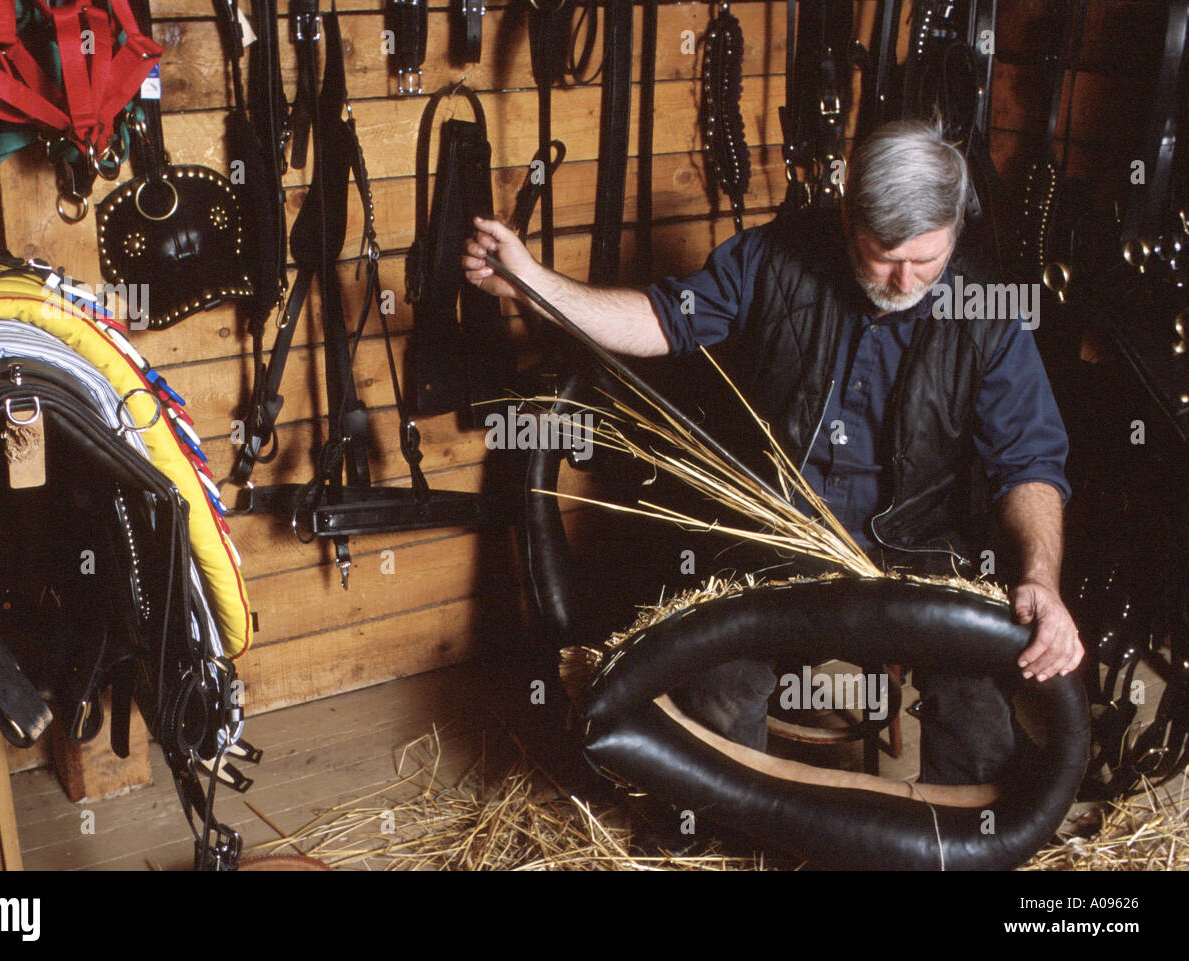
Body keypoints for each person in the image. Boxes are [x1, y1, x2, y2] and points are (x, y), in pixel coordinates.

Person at [461, 119, 1084, 785]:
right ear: (848, 217)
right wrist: (533, 283)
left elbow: (1029, 463)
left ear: (955, 232)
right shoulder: (773, 258)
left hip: (922, 553)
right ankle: (727, 832)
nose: (906, 280)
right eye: (884, 255)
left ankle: (949, 839)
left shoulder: (987, 311)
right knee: (716, 688)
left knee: (980, 713)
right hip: (774, 538)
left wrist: (1041, 579)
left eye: (926, 260)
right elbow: (661, 320)